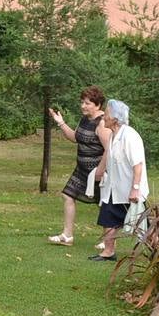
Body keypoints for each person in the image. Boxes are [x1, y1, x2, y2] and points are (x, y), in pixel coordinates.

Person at [46, 86, 110, 246]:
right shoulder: (85, 119)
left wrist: (101, 171)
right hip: (82, 170)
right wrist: (61, 123)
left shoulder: (102, 123)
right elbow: (75, 137)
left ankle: (108, 241)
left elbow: (110, 150)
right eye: (82, 102)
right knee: (68, 195)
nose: (83, 106)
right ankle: (67, 236)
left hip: (98, 172)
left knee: (103, 204)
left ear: (98, 104)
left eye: (87, 103)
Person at [87, 98, 147, 261]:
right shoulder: (114, 135)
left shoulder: (129, 136)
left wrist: (135, 188)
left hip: (129, 190)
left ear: (114, 118)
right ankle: (108, 252)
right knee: (107, 217)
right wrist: (99, 174)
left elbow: (138, 165)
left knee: (140, 224)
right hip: (114, 188)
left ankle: (156, 247)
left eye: (105, 114)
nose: (103, 117)